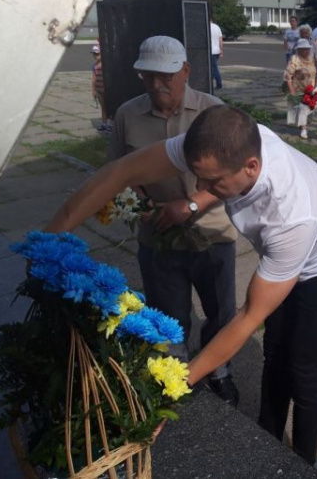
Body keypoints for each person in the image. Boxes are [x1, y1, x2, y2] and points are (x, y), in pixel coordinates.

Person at [44, 106, 317, 466]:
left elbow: (247, 316)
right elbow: (122, 170)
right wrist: (50, 238)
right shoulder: (221, 143)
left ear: (251, 167)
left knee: (303, 371)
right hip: (284, 255)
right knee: (274, 356)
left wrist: (176, 388)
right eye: (197, 177)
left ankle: (302, 465)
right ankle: (268, 443)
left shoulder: (291, 214)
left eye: (212, 184)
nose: (202, 191)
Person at [107, 36, 239, 405]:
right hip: (157, 235)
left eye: (164, 75)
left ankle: (219, 370)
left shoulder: (213, 112)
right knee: (169, 316)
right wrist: (138, 205)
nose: (155, 84)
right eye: (147, 76)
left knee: (220, 312)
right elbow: (115, 174)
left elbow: (233, 179)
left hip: (211, 234)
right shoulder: (127, 115)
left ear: (186, 71)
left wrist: (191, 205)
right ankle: (176, 375)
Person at [284, 38, 317, 139]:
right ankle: (304, 129)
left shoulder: (311, 59)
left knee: (310, 111)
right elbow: (288, 75)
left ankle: (303, 125)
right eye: (303, 49)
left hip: (311, 89)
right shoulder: (295, 59)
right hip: (299, 89)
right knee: (303, 109)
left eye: (307, 48)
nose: (305, 51)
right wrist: (291, 89)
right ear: (298, 50)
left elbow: (315, 73)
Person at [90, 42, 112, 134]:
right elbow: (93, 79)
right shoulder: (94, 66)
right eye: (94, 54)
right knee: (103, 107)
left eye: (97, 54)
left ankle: (111, 123)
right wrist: (93, 90)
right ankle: (104, 124)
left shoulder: (106, 65)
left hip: (107, 89)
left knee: (109, 106)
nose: (95, 56)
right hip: (99, 90)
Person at [210, 21, 223, 91]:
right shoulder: (217, 27)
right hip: (216, 51)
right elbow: (220, 39)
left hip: (210, 51)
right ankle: (210, 83)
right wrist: (221, 50)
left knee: (214, 68)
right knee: (212, 68)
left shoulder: (206, 27)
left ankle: (219, 84)